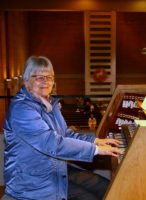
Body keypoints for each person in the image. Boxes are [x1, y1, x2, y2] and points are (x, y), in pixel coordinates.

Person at [1, 56, 122, 200]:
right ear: (26, 81)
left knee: (106, 186)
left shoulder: (49, 103)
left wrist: (95, 141)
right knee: (90, 197)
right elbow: (51, 143)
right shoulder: (22, 108)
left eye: (49, 77)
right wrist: (95, 150)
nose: (45, 81)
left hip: (54, 167)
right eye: (39, 77)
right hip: (32, 179)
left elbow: (65, 134)